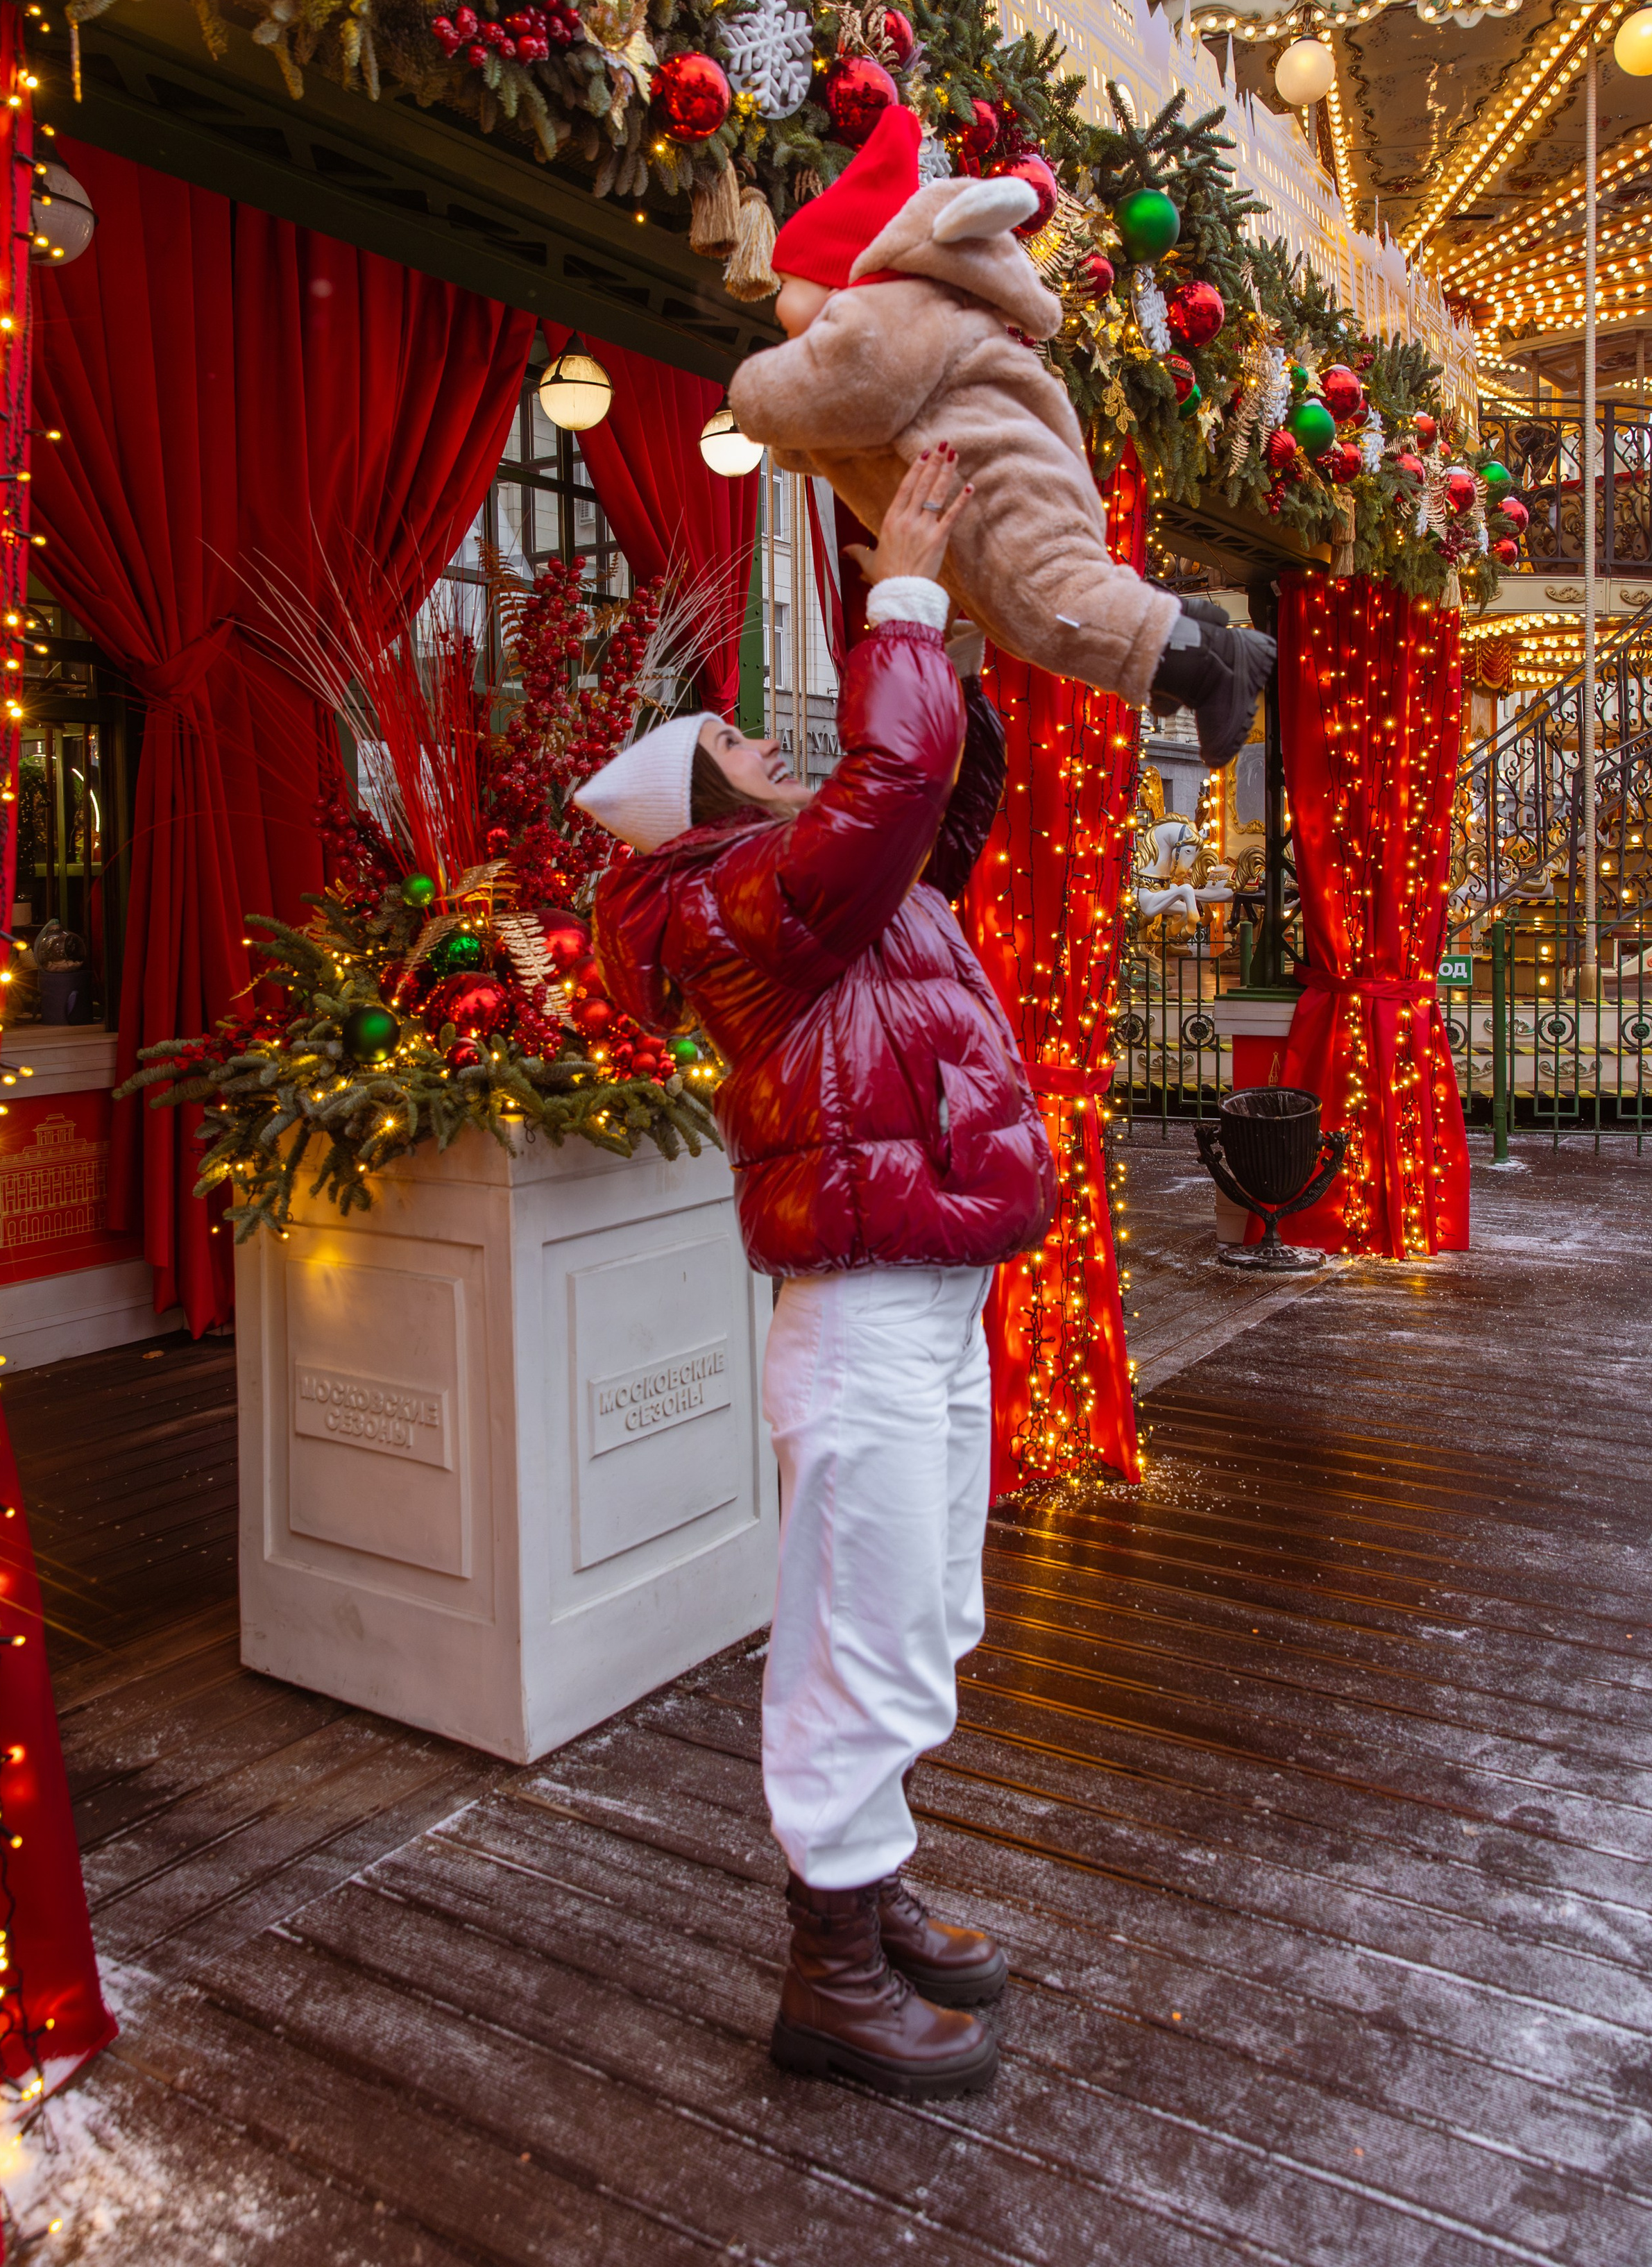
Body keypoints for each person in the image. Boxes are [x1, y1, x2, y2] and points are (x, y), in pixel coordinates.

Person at [574, 447, 1048, 2101]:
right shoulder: (737, 909)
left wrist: (960, 635)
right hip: (857, 1311)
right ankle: (827, 1972)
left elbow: (940, 793)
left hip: (927, 1291)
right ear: (699, 815)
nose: (765, 747)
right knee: (857, 1632)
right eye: (731, 747)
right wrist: (897, 594)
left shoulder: (840, 894)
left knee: (920, 1611)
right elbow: (883, 791)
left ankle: (871, 1882)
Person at [728, 103, 1275, 767]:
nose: (776, 302)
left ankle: (1211, 665)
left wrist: (748, 398)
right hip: (1003, 490)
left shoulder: (884, 315)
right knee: (1033, 617)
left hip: (1002, 489)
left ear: (836, 277)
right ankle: (1193, 643)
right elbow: (818, 432)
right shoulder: (904, 327)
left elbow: (785, 402)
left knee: (1045, 607)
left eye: (787, 283)